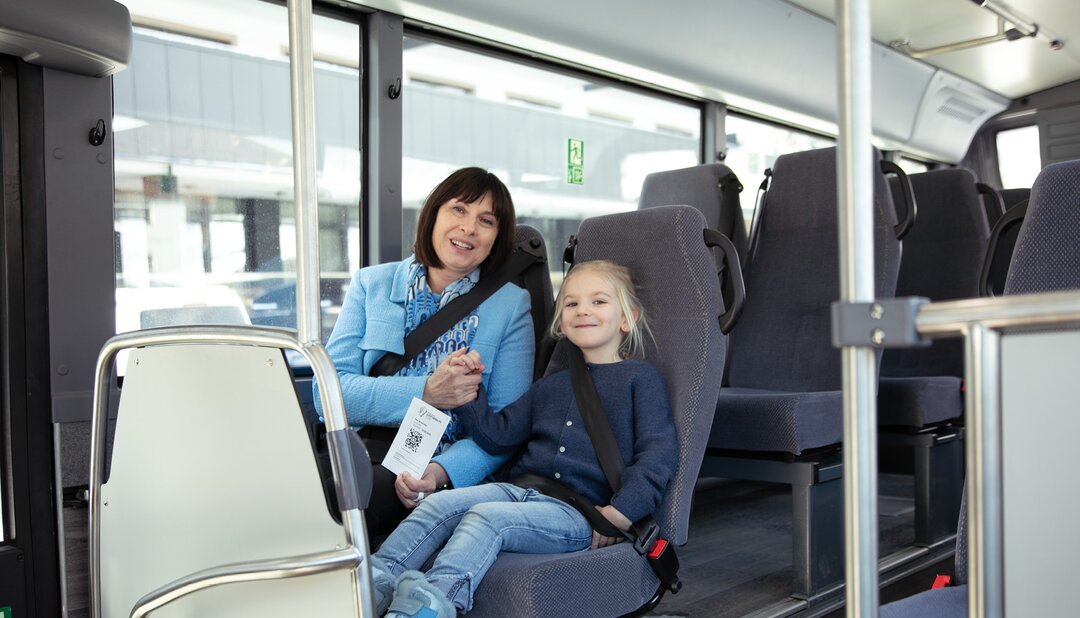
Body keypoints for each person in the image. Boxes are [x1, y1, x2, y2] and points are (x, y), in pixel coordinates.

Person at [368, 260, 677, 618]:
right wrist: (470, 390)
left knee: (486, 517)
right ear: (561, 322)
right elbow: (498, 436)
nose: (583, 311)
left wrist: (621, 513)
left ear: (627, 318)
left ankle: (432, 604)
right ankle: (371, 583)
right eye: (572, 304)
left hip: (578, 513)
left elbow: (658, 454)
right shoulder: (550, 386)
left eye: (599, 301)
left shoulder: (640, 379)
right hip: (520, 490)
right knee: (437, 504)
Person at [314, 167, 535, 536]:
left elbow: (505, 431)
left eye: (486, 220)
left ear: (497, 238)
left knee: (333, 514)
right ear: (433, 215)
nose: (469, 228)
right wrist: (426, 392)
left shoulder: (511, 306)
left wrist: (440, 474)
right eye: (459, 210)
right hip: (355, 449)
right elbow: (328, 396)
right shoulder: (373, 284)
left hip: (428, 465)